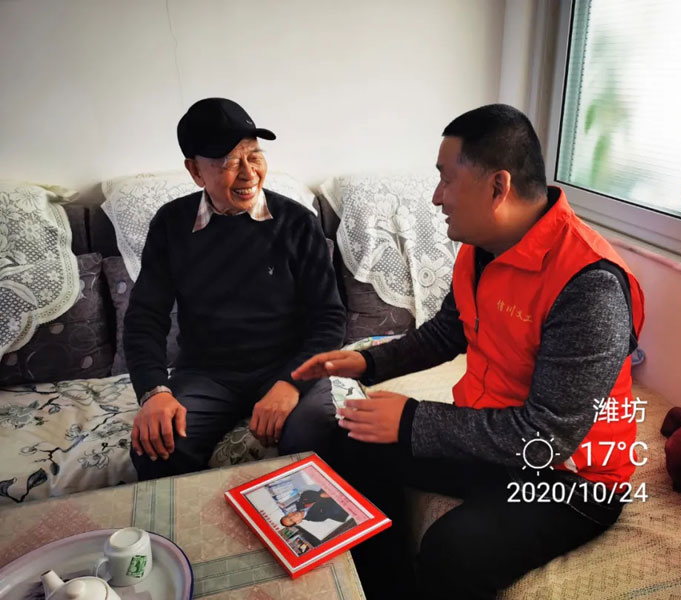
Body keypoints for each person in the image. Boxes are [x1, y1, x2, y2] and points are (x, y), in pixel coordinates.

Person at [292, 104, 645, 599]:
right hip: (492, 442)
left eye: (446, 179)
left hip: (572, 478)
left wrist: (412, 420)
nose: (437, 197)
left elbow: (548, 435)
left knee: (453, 549)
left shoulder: (589, 285)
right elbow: (446, 333)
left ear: (498, 187)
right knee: (355, 438)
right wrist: (368, 362)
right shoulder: (481, 247)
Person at [125, 97, 345, 481]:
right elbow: (145, 317)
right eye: (228, 161)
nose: (248, 173)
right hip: (207, 373)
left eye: (254, 156)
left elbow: (329, 318)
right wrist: (154, 392)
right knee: (158, 446)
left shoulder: (297, 222)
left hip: (289, 364)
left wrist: (290, 383)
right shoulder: (171, 224)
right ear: (195, 171)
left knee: (314, 433)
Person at [280, 489, 349, 526]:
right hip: (343, 506)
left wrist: (320, 495)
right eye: (291, 520)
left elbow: (306, 493)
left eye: (288, 516)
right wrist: (322, 496)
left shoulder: (299, 504)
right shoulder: (315, 517)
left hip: (333, 492)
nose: (292, 516)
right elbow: (332, 510)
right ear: (298, 522)